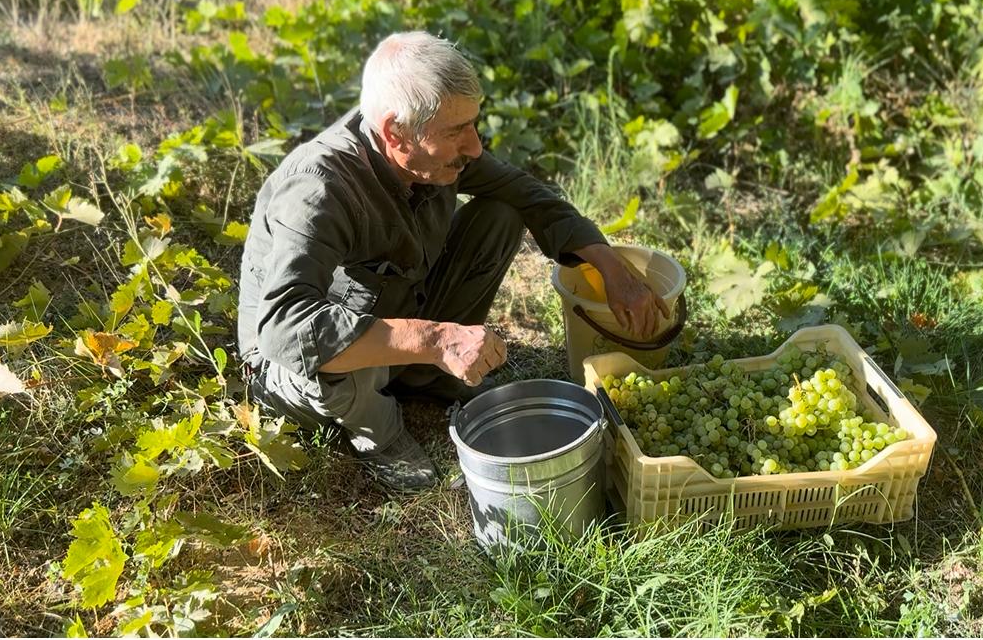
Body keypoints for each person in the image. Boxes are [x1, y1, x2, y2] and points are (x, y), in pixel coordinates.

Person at [236, 31, 668, 490]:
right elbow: (286, 328)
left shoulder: (433, 153)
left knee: (502, 212)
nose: (476, 146)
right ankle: (377, 433)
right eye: (455, 131)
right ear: (394, 133)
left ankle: (425, 380)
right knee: (336, 342)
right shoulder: (318, 187)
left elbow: (528, 194)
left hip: (392, 310)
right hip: (289, 366)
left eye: (473, 124)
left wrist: (611, 267)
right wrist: (437, 338)